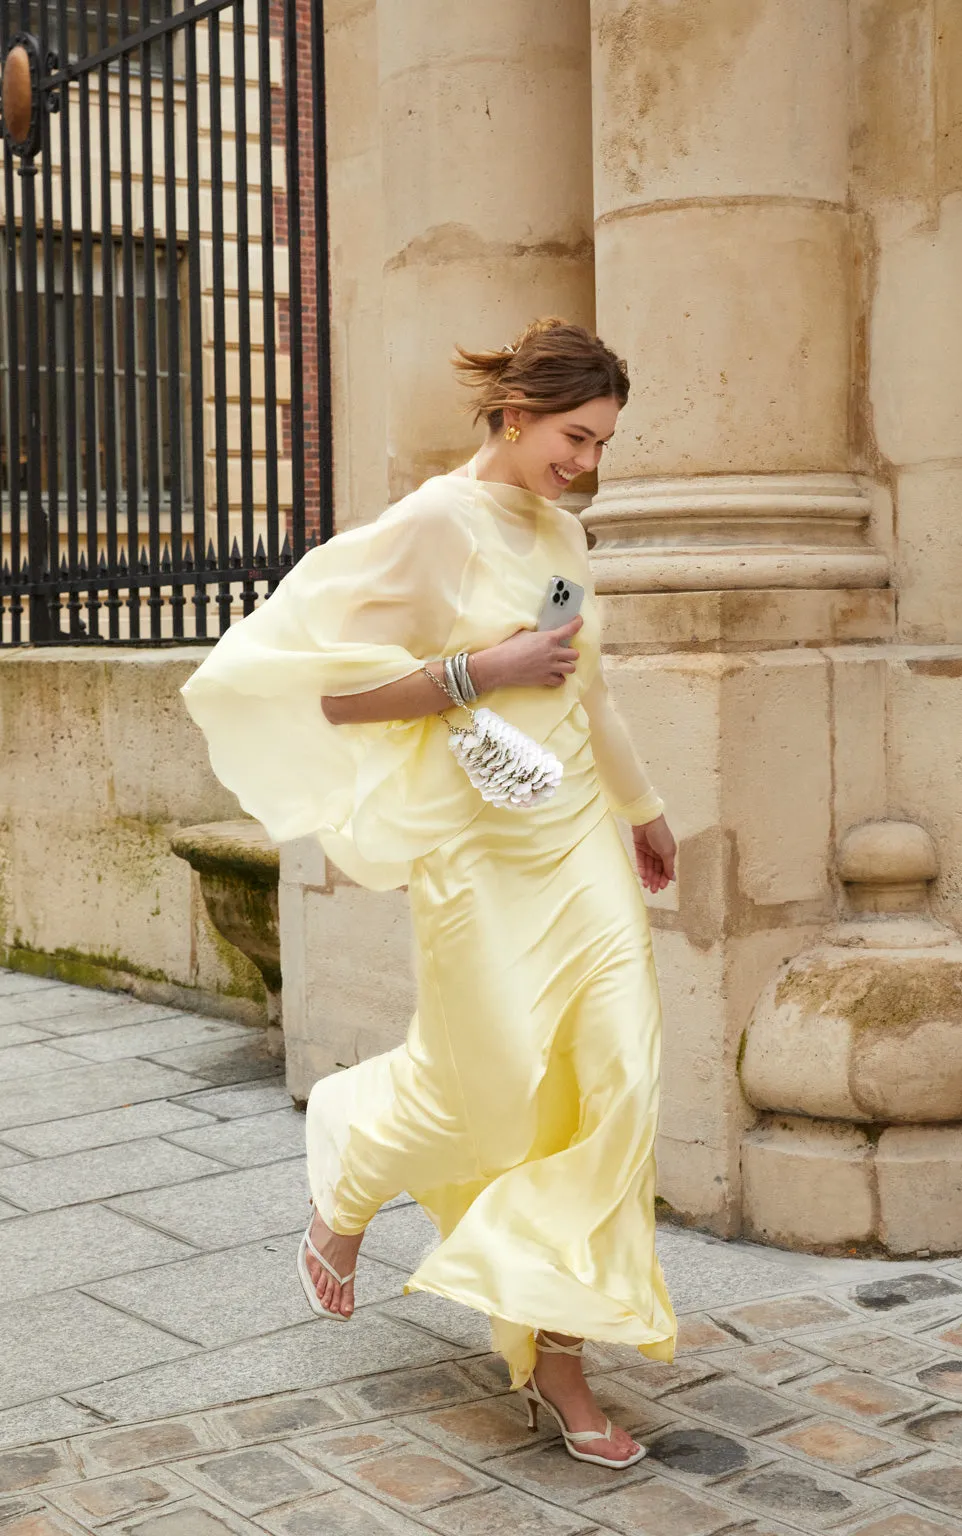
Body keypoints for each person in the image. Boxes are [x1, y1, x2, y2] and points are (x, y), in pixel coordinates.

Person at [182, 317, 679, 1469]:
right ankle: (352, 1172)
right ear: (514, 416)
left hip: (577, 849)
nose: (587, 464)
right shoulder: (430, 525)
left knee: (618, 1081)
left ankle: (561, 1354)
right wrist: (480, 670)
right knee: (491, 1087)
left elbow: (587, 689)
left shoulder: (561, 530)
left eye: (601, 443)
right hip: (478, 856)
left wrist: (642, 807)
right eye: (573, 436)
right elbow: (327, 696)